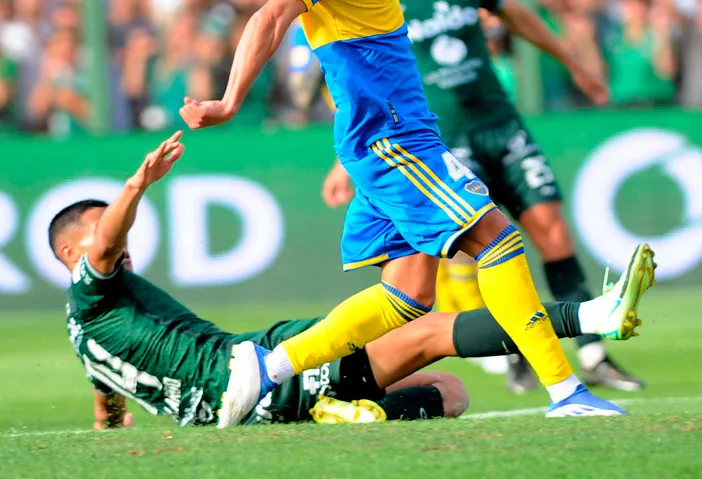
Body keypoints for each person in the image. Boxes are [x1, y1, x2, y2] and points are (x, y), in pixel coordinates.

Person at [179, 0, 649, 426]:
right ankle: (567, 393)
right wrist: (229, 100)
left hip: (382, 134)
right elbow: (271, 14)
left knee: (408, 297)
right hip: (392, 135)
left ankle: (267, 369)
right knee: (498, 240)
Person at [56, 133, 656, 429]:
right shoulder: (92, 289)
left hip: (235, 407)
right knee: (431, 329)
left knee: (450, 392)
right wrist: (136, 185)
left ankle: (346, 412)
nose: (118, 238)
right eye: (100, 228)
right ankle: (590, 316)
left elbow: (108, 407)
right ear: (68, 253)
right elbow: (106, 244)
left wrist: (112, 427)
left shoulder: (86, 336)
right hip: (247, 374)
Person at [318, 0, 646, 394]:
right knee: (479, 251)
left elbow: (518, 16)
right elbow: (357, 79)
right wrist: (344, 160)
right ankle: (515, 350)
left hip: (501, 123)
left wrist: (574, 63)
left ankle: (594, 356)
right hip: (439, 140)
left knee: (552, 232)